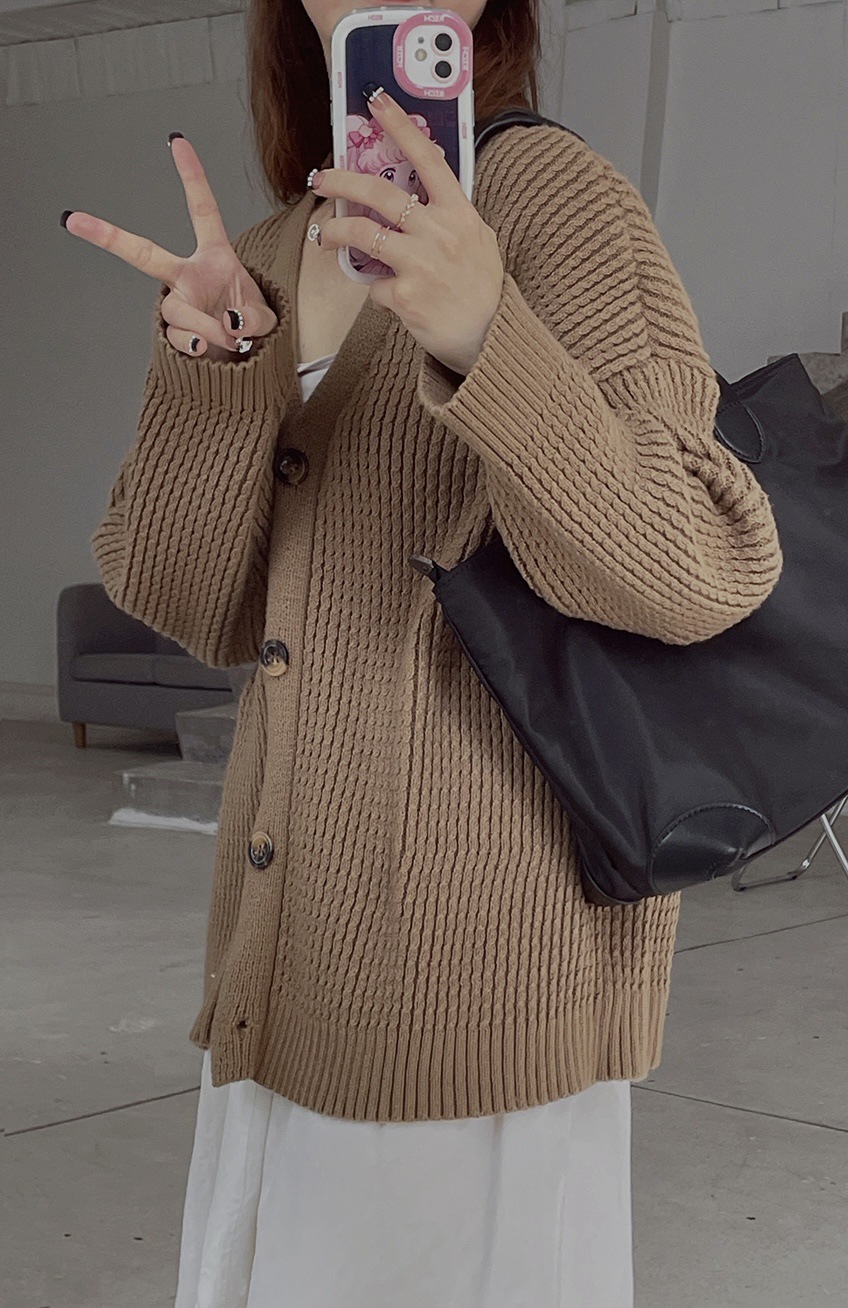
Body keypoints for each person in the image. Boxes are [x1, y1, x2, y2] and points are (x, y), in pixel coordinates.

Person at [64, 0, 783, 1301]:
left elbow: (700, 567)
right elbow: (193, 607)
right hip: (283, 954)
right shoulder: (270, 250)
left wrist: (485, 332)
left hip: (478, 970)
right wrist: (213, 375)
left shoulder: (552, 199)